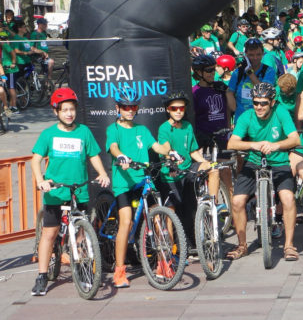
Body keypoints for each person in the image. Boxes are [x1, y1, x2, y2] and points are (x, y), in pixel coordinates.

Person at [30, 88, 110, 296]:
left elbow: (93, 155)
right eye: (64, 110)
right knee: (50, 233)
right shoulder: (48, 134)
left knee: (82, 233)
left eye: (72, 109)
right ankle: (41, 275)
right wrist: (41, 180)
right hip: (55, 192)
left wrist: (102, 173)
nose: (69, 113)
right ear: (56, 111)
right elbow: (36, 159)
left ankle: (84, 270)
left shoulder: (84, 131)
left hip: (79, 190)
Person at [226, 82, 300, 261]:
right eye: (256, 102)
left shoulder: (280, 112)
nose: (259, 107)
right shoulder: (246, 116)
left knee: (288, 198)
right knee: (236, 201)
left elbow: (295, 139)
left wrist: (276, 145)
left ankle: (289, 245)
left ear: (272, 102)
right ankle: (242, 245)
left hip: (279, 161)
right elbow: (232, 143)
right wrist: (253, 144)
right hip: (254, 162)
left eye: (263, 103)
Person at [106, 87, 171, 288]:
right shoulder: (113, 129)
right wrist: (121, 156)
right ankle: (119, 271)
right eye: (126, 107)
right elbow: (113, 147)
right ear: (118, 108)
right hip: (123, 182)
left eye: (134, 106)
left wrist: (169, 150)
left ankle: (163, 264)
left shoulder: (142, 130)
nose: (130, 110)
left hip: (142, 180)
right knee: (125, 222)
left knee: (158, 217)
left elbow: (158, 148)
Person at [156, 91, 212, 248]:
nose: (179, 111)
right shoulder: (164, 128)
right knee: (171, 212)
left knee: (191, 209)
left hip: (187, 171)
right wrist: (171, 154)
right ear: (168, 109)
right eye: (174, 108)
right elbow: (165, 146)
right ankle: (172, 251)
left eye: (181, 108)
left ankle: (212, 205)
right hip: (171, 175)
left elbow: (193, 151)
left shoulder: (187, 126)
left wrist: (206, 162)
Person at [226, 38, 277, 123]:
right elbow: (229, 92)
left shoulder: (269, 71)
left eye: (258, 54)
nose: (255, 58)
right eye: (251, 55)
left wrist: (250, 72)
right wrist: (235, 110)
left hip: (260, 121)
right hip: (241, 120)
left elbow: (263, 91)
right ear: (246, 54)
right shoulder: (238, 72)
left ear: (263, 54)